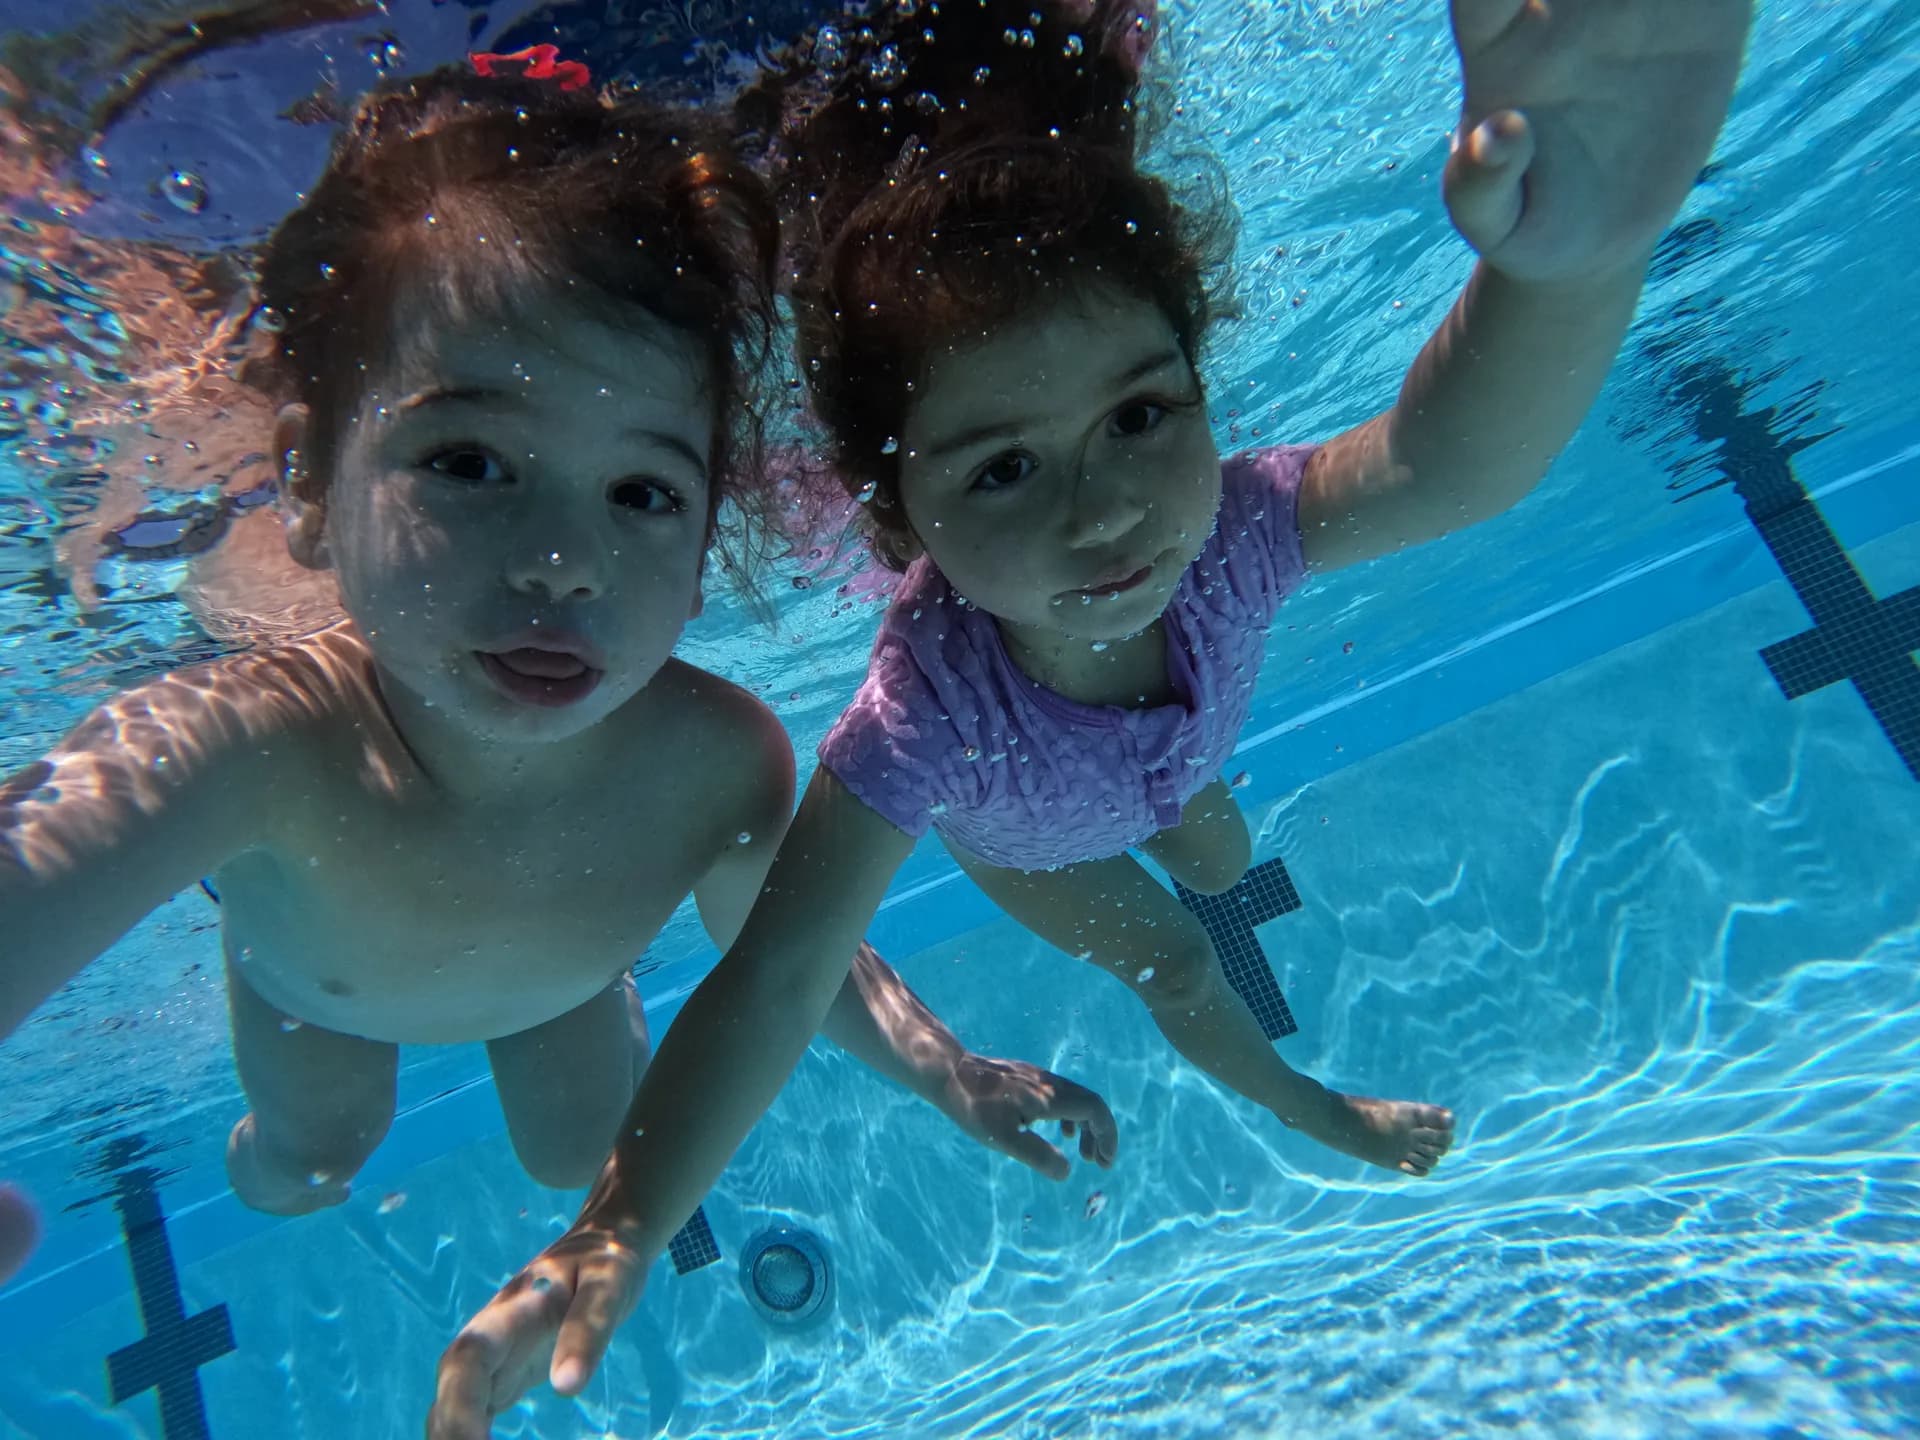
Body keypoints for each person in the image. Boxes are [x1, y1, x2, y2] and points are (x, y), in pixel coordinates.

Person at [427, 0, 1753, 1430]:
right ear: (899, 515)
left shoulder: (1238, 525)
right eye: (1003, 470)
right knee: (1179, 961)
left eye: (1138, 417)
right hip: (1039, 838)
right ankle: (1316, 1108)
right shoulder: (928, 710)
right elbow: (779, 974)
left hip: (1177, 765)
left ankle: (1195, 830)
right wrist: (622, 1218)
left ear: (1197, 385)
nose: (1107, 508)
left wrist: (1574, 257)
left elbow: (1447, 464)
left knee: (1215, 852)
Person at [0, 60, 1116, 1234]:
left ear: (702, 550)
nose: (564, 561)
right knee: (313, 1161)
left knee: (581, 1155)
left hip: (560, 989)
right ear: (311, 482)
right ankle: (276, 1159)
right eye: (469, 463)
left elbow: (799, 954)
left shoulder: (718, 763)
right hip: (315, 998)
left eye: (642, 493)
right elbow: (45, 859)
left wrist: (951, 1071)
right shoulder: (250, 743)